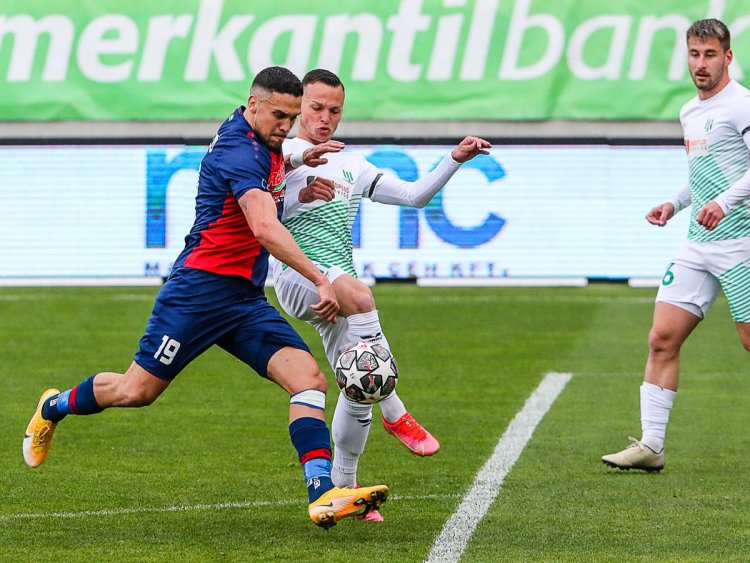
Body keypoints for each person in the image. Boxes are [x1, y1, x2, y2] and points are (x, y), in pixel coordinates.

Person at [22, 66, 388, 529]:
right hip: (197, 293)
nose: (285, 126)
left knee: (309, 380)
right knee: (136, 391)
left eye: (292, 117)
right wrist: (318, 278)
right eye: (278, 116)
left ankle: (323, 492)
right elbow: (264, 226)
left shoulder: (263, 140)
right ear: (252, 104)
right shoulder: (240, 151)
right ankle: (52, 407)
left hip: (243, 299)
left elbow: (275, 166)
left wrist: (298, 161)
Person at [273, 68, 491, 519]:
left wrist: (454, 159)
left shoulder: (353, 165)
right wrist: (300, 193)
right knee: (363, 298)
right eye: (316, 108)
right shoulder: (282, 154)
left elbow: (414, 196)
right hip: (299, 278)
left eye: (335, 110)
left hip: (338, 284)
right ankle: (397, 413)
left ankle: (346, 489)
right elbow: (262, 211)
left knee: (360, 383)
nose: (325, 118)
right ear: (299, 107)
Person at [602, 19, 750, 472]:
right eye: (694, 54)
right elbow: (702, 172)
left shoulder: (742, 104)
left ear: (727, 57)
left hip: (741, 243)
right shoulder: (689, 111)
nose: (700, 64)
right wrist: (675, 203)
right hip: (698, 243)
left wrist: (724, 204)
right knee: (661, 338)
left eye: (710, 55)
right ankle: (651, 445)